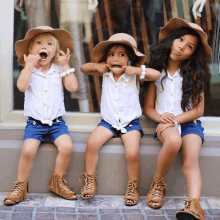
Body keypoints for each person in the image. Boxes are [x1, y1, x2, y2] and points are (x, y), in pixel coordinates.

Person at [80, 33, 161, 206]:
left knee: (132, 153)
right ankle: (90, 179)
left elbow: (156, 75)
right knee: (91, 144)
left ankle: (133, 185)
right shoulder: (106, 74)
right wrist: (98, 66)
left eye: (121, 54)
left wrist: (138, 70)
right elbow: (83, 68)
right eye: (111, 54)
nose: (115, 58)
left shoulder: (134, 75)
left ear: (130, 59)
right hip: (108, 123)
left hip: (130, 124)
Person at [143, 18, 212, 219]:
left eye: (189, 46)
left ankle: (194, 205)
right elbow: (148, 108)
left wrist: (177, 119)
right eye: (180, 39)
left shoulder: (193, 75)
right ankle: (158, 183)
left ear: (193, 53)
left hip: (189, 123)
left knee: (190, 161)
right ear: (171, 40)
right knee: (173, 140)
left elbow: (198, 110)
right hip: (165, 124)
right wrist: (162, 117)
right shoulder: (156, 72)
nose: (181, 47)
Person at [4, 26, 78, 205]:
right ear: (30, 51)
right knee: (28, 150)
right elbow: (21, 87)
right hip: (35, 124)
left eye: (49, 43)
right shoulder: (29, 70)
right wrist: (29, 65)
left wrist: (65, 65)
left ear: (55, 51)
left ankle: (58, 182)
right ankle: (20, 186)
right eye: (38, 43)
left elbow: (73, 87)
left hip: (57, 123)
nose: (43, 46)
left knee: (66, 147)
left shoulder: (59, 69)